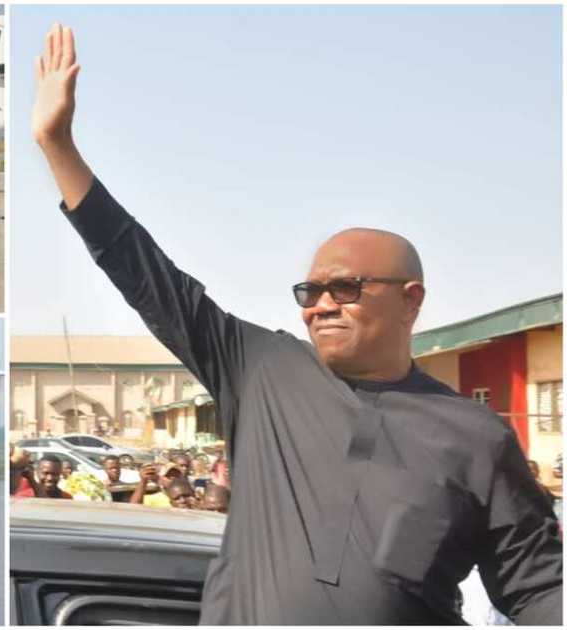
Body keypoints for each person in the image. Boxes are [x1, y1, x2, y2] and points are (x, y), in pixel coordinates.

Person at [32, 23, 561, 624]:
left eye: (347, 288)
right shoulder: (263, 370)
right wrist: (57, 144)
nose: (322, 304)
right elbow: (146, 274)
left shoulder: (475, 437)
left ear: (411, 300)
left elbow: (536, 588)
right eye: (310, 291)